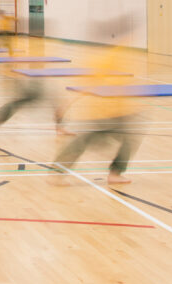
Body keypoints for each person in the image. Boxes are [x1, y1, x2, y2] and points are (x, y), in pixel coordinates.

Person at [55, 45, 139, 185]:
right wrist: (67, 104)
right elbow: (89, 83)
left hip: (114, 111)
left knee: (127, 138)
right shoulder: (109, 57)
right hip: (105, 111)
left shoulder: (115, 55)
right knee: (85, 140)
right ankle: (58, 172)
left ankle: (58, 172)